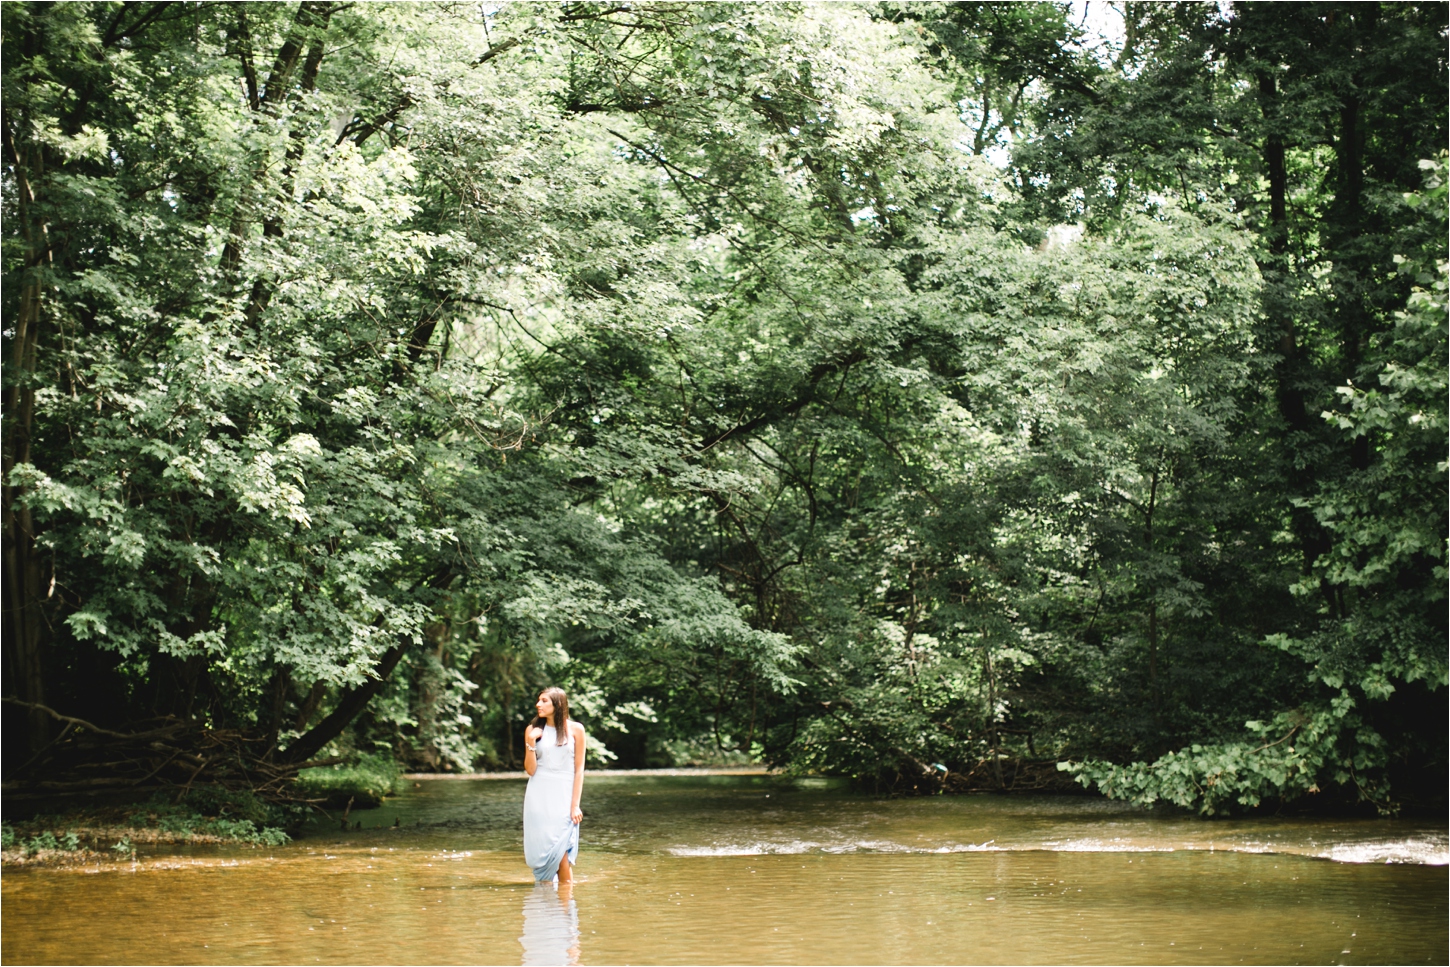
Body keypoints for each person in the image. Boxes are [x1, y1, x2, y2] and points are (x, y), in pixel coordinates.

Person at [522, 687, 585, 883]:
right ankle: (547, 905)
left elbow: (579, 770)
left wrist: (575, 805)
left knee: (562, 854)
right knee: (545, 851)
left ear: (557, 704)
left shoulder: (576, 729)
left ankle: (566, 907)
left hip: (564, 796)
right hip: (539, 796)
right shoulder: (532, 730)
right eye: (538, 700)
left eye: (544, 701)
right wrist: (531, 742)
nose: (538, 705)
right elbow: (530, 770)